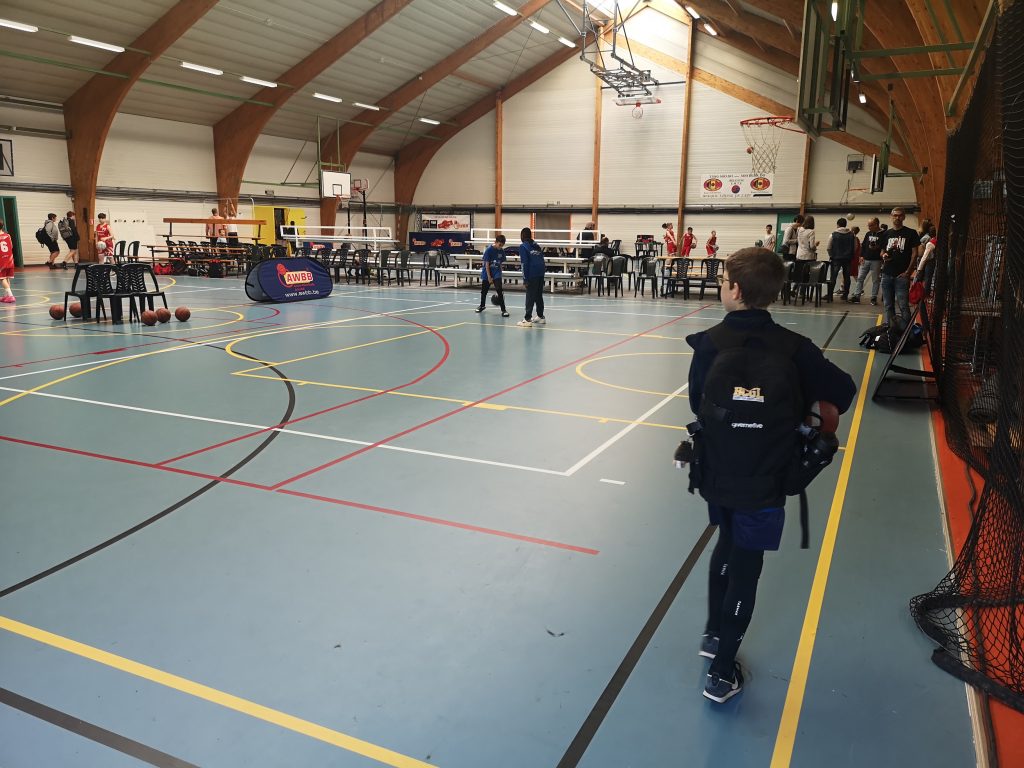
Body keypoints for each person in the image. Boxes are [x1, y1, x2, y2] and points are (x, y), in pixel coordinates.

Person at [683, 247, 856, 703]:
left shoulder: (708, 344)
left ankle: (714, 637)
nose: (722, 286)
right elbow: (843, 392)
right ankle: (722, 675)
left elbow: (697, 402)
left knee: (725, 542)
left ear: (736, 290)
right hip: (766, 479)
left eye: (723, 280)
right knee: (746, 569)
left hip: (716, 472)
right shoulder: (795, 349)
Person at [880, 207, 921, 330]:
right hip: (887, 274)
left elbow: (915, 253)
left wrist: (908, 272)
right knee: (888, 305)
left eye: (899, 215)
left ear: (903, 217)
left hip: (901, 275)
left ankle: (906, 332)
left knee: (903, 305)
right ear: (891, 217)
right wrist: (884, 255)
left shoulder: (911, 233)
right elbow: (882, 251)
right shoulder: (886, 234)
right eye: (895, 215)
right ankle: (892, 330)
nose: (897, 218)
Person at [849, 218, 883, 305]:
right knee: (860, 278)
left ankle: (873, 298)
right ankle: (857, 296)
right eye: (868, 225)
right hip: (866, 259)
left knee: (875, 280)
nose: (868, 227)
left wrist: (877, 247)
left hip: (876, 260)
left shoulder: (884, 234)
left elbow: (885, 246)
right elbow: (863, 245)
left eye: (870, 225)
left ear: (876, 225)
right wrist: (861, 256)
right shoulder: (868, 233)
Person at [518, 227, 546, 328]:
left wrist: (525, 279)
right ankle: (540, 316)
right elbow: (541, 259)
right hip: (541, 272)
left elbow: (524, 264)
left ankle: (527, 319)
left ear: (522, 236)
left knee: (530, 296)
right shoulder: (536, 245)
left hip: (532, 273)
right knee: (538, 295)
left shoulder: (523, 246)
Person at [476, 234, 509, 317]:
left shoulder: (501, 251)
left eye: (502, 245)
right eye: (499, 245)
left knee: (499, 290)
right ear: (495, 242)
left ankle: (503, 310)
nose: (500, 247)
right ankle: (482, 306)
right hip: (487, 272)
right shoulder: (489, 250)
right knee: (484, 291)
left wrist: (500, 273)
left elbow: (500, 262)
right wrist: (489, 277)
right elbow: (486, 265)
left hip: (496, 272)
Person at [825, 217, 856, 299]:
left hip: (836, 258)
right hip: (848, 258)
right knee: (847, 277)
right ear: (845, 224)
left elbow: (828, 247)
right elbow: (855, 247)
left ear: (838, 225)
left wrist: (831, 255)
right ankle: (845, 295)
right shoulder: (852, 235)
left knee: (833, 277)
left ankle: (830, 295)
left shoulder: (833, 234)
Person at [0, 220, 15, 304]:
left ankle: (10, 296)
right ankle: (6, 295)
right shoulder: (8, 235)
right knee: (7, 277)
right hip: (9, 259)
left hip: (1, 261)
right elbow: (11, 246)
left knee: (2, 279)